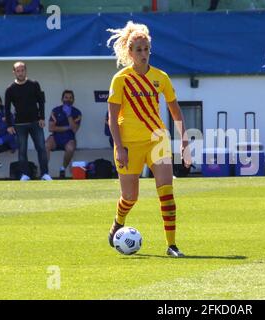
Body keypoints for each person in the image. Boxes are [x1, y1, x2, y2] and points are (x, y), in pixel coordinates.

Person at [106, 21, 191, 258]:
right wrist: (119, 147)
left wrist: (184, 142)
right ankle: (118, 222)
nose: (143, 54)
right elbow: (112, 118)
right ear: (130, 52)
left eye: (146, 49)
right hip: (129, 144)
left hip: (157, 140)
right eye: (138, 50)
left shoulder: (160, 77)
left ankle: (172, 245)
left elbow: (175, 110)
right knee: (130, 197)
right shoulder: (120, 79)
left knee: (166, 190)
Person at [5, 61, 52, 181]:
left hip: (36, 122)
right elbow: (7, 108)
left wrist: (42, 117)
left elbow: (41, 102)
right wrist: (9, 125)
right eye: (18, 71)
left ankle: (45, 173)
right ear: (14, 72)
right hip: (19, 124)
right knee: (22, 150)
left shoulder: (34, 84)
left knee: (41, 148)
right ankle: (24, 174)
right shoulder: (10, 89)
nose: (20, 73)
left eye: (22, 70)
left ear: (26, 71)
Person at [45, 90, 82, 179]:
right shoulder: (55, 110)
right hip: (56, 137)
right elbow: (51, 128)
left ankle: (63, 168)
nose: (68, 100)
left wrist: (69, 115)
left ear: (73, 100)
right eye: (66, 97)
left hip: (69, 138)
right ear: (62, 99)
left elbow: (74, 129)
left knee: (70, 148)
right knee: (46, 145)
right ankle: (44, 171)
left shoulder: (77, 113)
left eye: (70, 98)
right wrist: (67, 127)